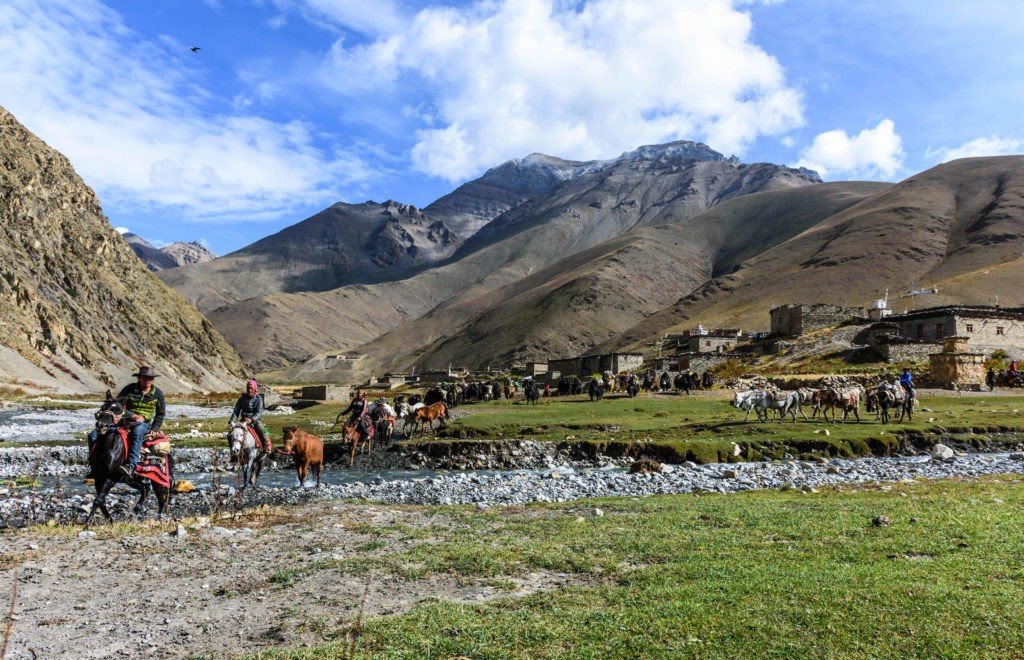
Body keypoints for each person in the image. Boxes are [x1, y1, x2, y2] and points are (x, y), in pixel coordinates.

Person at [88, 366, 166, 479]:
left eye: (151, 378)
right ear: (139, 378)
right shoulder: (129, 389)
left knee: (137, 433)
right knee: (93, 435)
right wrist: (132, 415)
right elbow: (117, 406)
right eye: (145, 378)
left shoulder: (157, 394)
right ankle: (94, 465)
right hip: (123, 420)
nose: (148, 380)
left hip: (143, 424)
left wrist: (154, 429)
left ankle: (131, 465)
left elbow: (160, 413)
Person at [228, 379, 272, 454]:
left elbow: (259, 412)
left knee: (263, 430)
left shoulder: (259, 399)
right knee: (230, 434)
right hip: (243, 420)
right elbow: (236, 411)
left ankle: (268, 445)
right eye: (248, 388)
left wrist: (251, 419)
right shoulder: (241, 399)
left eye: (251, 388)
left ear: (255, 388)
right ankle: (232, 450)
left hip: (255, 420)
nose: (249, 390)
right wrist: (231, 422)